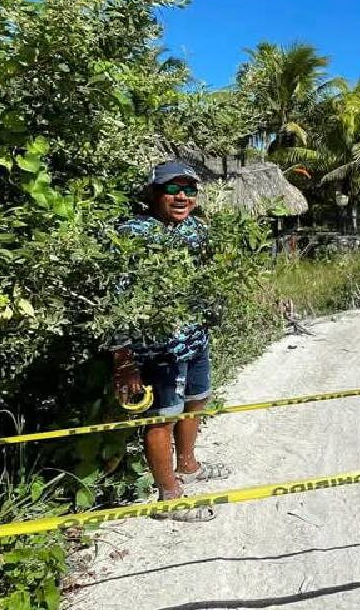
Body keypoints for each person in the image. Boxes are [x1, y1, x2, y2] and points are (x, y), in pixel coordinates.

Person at [112, 160, 230, 522]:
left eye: (189, 190)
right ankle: (169, 495)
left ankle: (189, 465)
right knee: (161, 417)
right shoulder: (133, 234)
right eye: (172, 189)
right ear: (154, 193)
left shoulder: (198, 231)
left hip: (195, 341)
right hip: (157, 350)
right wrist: (124, 361)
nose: (181, 197)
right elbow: (116, 301)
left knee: (197, 401)